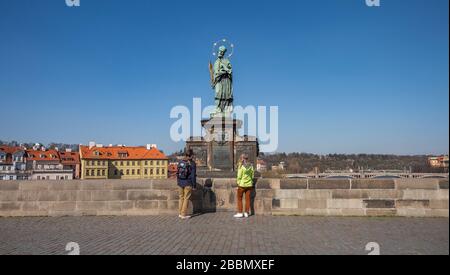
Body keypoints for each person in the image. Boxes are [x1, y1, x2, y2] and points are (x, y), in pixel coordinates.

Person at [177, 150, 197, 219]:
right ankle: (183, 214)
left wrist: (178, 182)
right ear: (191, 156)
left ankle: (180, 213)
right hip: (188, 183)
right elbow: (193, 176)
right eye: (193, 155)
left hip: (180, 182)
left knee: (181, 198)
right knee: (186, 198)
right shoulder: (192, 163)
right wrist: (194, 185)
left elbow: (177, 173)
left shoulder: (181, 162)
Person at [234, 154, 254, 218]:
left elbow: (239, 176)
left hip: (242, 185)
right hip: (249, 185)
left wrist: (238, 183)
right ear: (247, 158)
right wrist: (250, 181)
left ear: (242, 158)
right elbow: (252, 175)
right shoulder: (251, 166)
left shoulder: (241, 166)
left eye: (241, 158)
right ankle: (246, 213)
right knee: (247, 199)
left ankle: (240, 213)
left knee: (239, 199)